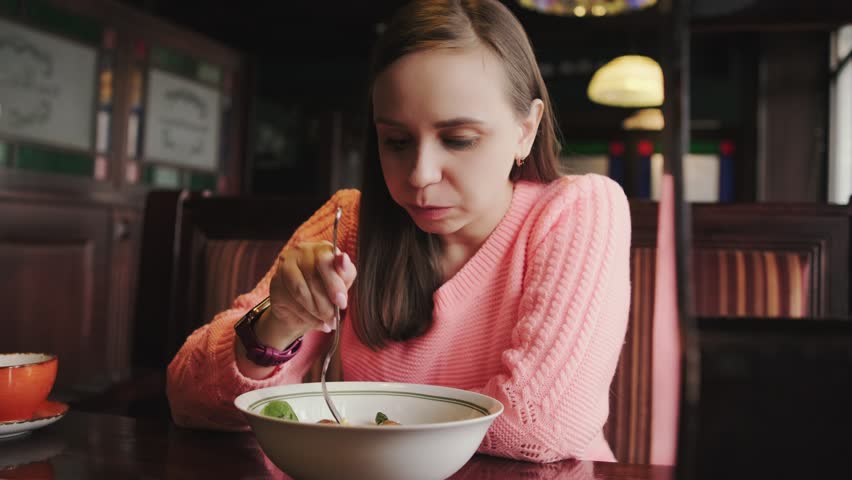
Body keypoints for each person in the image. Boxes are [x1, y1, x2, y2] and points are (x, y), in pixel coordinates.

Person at [167, 0, 630, 463]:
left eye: (459, 139)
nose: (420, 175)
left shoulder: (580, 209)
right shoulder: (349, 222)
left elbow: (541, 425)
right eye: (397, 142)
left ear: (526, 130)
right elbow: (188, 400)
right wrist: (278, 321)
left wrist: (368, 426)